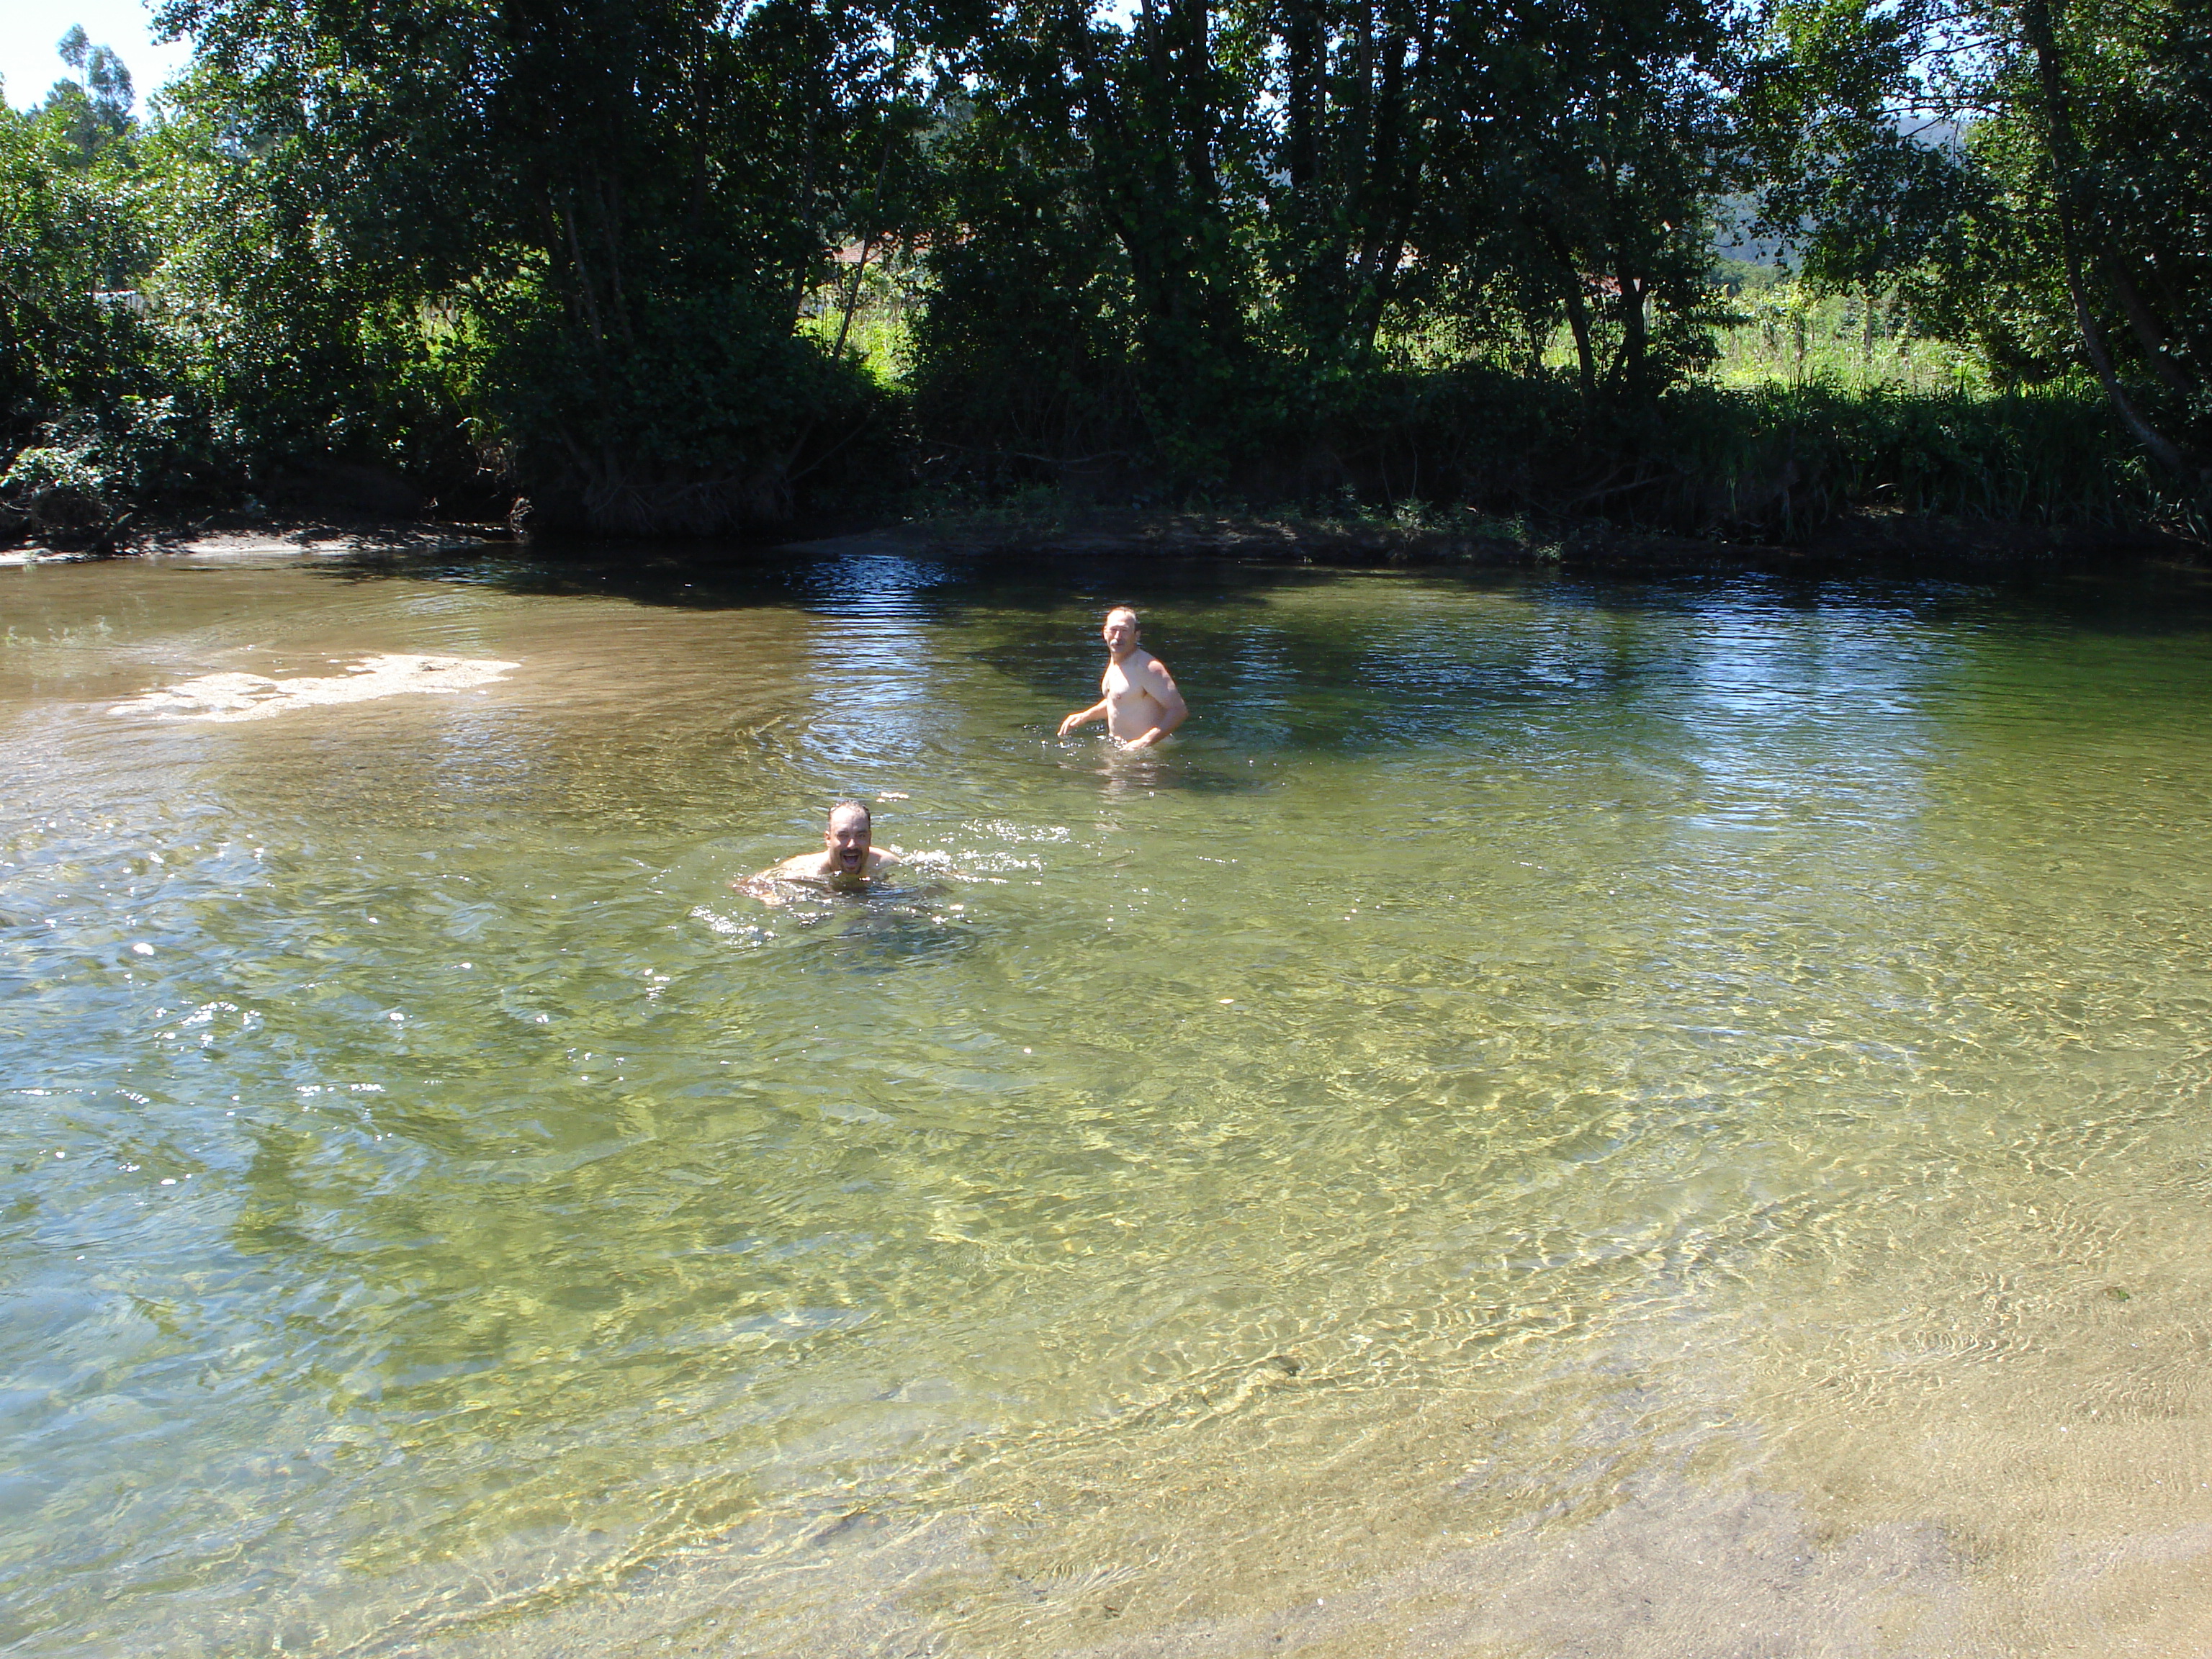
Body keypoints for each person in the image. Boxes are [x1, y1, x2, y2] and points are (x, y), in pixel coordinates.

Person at [1056, 606, 1188, 748]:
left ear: (1136, 635)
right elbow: (1120, 700)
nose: (1118, 637)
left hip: (1150, 755)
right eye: (1113, 630)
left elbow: (1179, 710)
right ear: (1105, 633)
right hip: (1123, 750)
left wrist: (1145, 742)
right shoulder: (1116, 663)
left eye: (1124, 631)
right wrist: (1085, 716)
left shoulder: (1148, 667)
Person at [739, 801, 902, 899]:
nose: (852, 844)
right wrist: (769, 898)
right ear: (828, 839)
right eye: (842, 835)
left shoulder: (886, 863)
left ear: (870, 838)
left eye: (860, 835)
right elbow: (743, 884)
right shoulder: (805, 870)